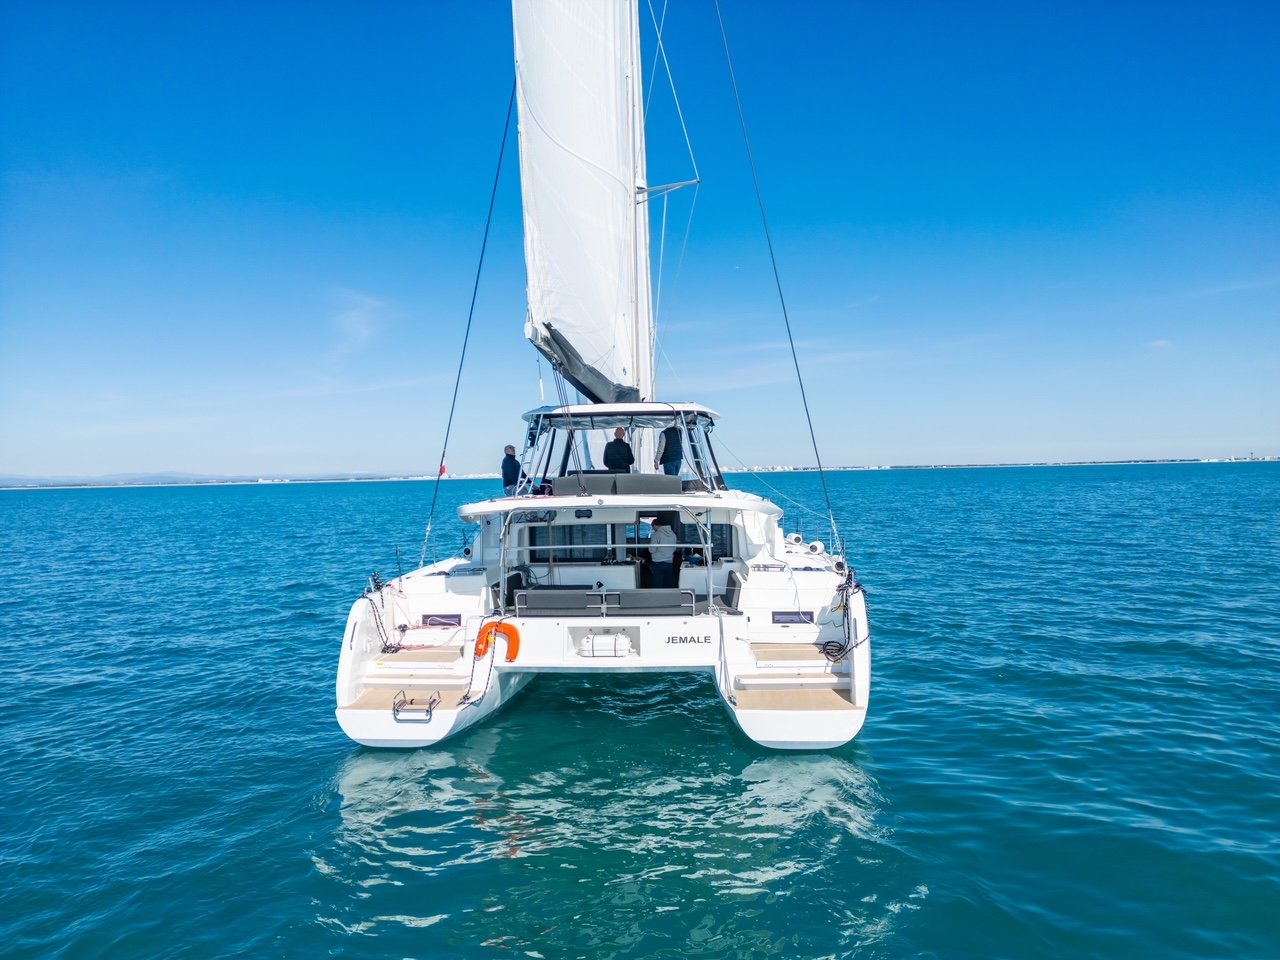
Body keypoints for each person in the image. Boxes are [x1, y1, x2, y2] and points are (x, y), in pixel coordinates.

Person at [648, 515, 679, 588]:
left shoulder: (656, 534)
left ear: (655, 525)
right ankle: (667, 598)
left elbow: (652, 550)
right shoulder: (673, 534)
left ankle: (658, 598)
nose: (653, 529)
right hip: (669, 561)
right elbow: (674, 548)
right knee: (668, 583)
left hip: (658, 562)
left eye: (653, 527)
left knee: (658, 583)